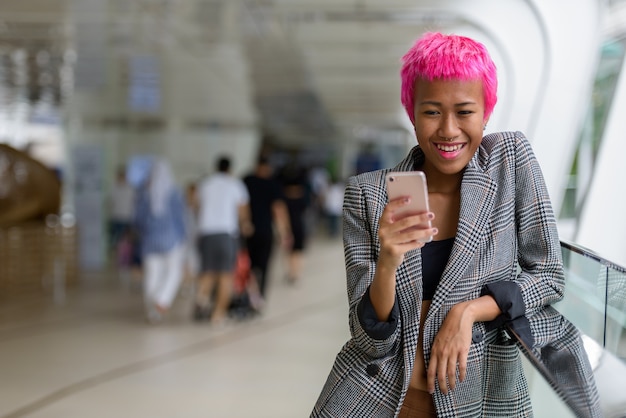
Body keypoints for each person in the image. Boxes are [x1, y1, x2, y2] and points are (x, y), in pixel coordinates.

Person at [311, 32, 601, 417]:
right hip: (381, 400)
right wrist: (387, 263)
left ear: (486, 112)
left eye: (464, 111)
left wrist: (469, 311)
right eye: (431, 112)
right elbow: (368, 339)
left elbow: (549, 275)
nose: (448, 130)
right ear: (412, 113)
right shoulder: (368, 195)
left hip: (482, 401)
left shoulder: (509, 163)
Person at [195, 156, 253, 324]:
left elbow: (197, 205)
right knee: (226, 275)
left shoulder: (205, 184)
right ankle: (218, 315)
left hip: (206, 233)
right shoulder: (235, 184)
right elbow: (242, 210)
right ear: (230, 168)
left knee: (208, 271)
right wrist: (245, 225)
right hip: (226, 233)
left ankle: (202, 298)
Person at [133, 159, 187, 324]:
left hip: (149, 241)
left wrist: (144, 234)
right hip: (171, 240)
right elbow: (180, 218)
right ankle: (162, 301)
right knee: (174, 272)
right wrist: (184, 238)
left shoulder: (143, 194)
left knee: (152, 275)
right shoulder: (173, 193)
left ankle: (152, 310)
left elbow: (137, 219)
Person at [243, 155, 292, 303]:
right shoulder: (273, 184)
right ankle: (260, 296)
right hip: (265, 231)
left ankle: (247, 294)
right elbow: (278, 209)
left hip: (246, 231)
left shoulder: (246, 181)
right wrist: (284, 233)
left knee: (246, 264)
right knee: (263, 266)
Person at [276, 152, 311, 285]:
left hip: (285, 225)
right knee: (298, 250)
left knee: (288, 250)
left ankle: (291, 272)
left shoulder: (283, 197)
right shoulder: (303, 196)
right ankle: (296, 274)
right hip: (299, 224)